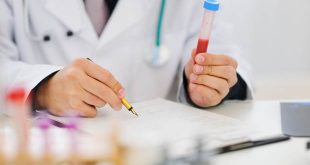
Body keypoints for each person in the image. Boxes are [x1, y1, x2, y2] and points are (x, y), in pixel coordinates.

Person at [0, 0, 252, 117]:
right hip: (50, 150)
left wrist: (211, 83)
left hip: (155, 149)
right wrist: (44, 88)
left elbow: (225, 54)